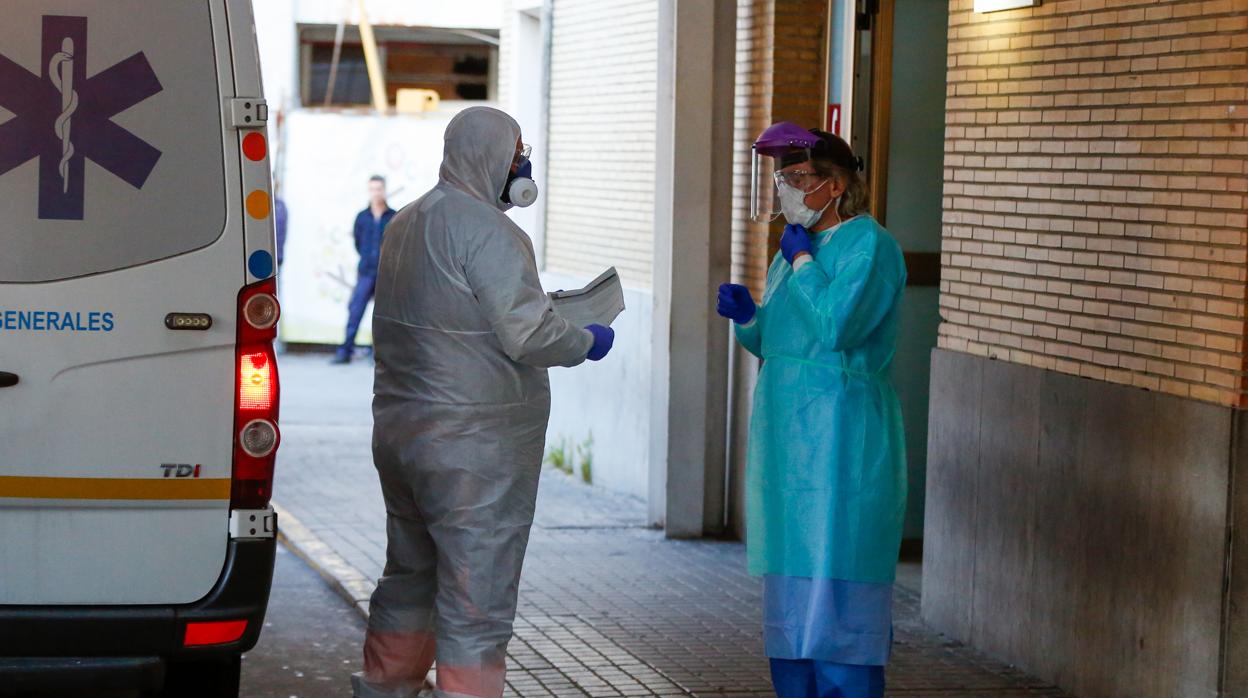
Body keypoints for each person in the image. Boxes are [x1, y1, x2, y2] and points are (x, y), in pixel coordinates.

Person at [352, 106, 615, 698]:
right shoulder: (492, 232)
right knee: (477, 594)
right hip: (474, 452)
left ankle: (383, 687)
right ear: (490, 154)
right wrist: (585, 339)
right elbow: (528, 333)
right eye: (516, 150)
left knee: (409, 577)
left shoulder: (405, 222)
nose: (521, 163)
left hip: (402, 436)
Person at [718, 123, 907, 698]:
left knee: (839, 578)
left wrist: (802, 265)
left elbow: (838, 326)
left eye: (798, 178)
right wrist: (749, 317)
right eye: (783, 178)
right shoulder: (793, 250)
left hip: (842, 432)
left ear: (834, 185)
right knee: (793, 585)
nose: (786, 190)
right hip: (788, 437)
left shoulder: (869, 245)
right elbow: (778, 342)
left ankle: (846, 684)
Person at [332, 175, 396, 364]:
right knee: (355, 310)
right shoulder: (362, 217)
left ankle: (380, 354)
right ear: (369, 191)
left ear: (384, 190)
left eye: (379, 189)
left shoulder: (393, 216)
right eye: (372, 189)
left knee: (384, 315)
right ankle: (345, 351)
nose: (376, 193)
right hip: (366, 271)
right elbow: (358, 243)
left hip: (386, 273)